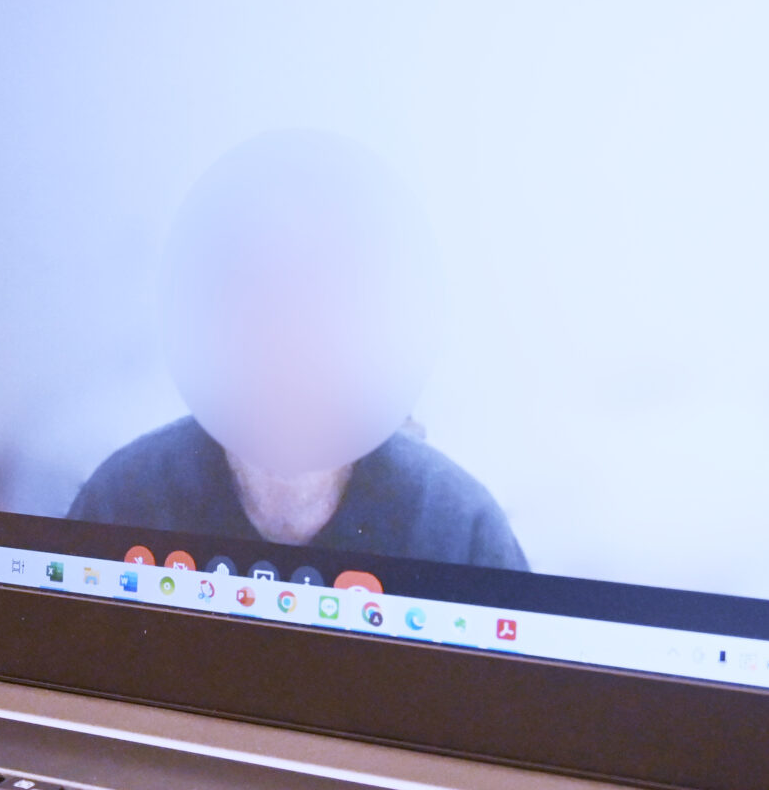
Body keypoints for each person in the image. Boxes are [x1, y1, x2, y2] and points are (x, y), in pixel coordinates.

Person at [70, 129, 525, 570]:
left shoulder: (460, 531)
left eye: (322, 297)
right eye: (259, 292)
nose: (288, 338)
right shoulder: (121, 501)